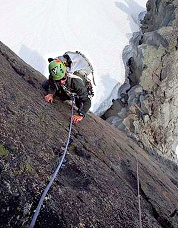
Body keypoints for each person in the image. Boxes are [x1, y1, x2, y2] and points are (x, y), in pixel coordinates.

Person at [42, 53, 93, 124]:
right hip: (67, 89)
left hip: (76, 92)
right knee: (45, 85)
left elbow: (87, 101)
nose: (61, 82)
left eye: (63, 78)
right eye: (58, 80)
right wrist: (51, 94)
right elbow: (52, 83)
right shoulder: (54, 75)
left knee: (80, 104)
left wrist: (80, 115)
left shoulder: (76, 81)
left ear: (66, 72)